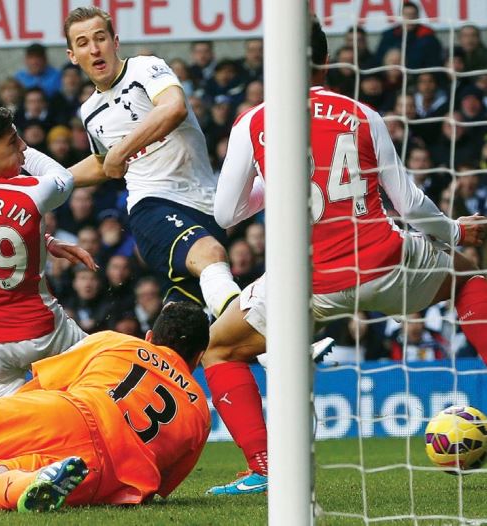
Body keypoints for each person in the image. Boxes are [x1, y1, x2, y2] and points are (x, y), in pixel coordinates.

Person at [202, 18, 487, 495]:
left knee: (218, 349)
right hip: (385, 264)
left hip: (305, 284)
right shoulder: (362, 114)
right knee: (469, 275)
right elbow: (410, 203)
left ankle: (265, 467)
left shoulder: (254, 121)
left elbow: (226, 213)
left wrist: (275, 186)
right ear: (327, 60)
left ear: (275, 62)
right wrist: (457, 233)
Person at [64, 7, 240, 317]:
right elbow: (102, 163)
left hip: (204, 205)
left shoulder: (145, 69)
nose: (94, 48)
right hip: (151, 206)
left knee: (185, 323)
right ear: (73, 55)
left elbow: (173, 108)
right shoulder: (89, 111)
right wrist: (50, 182)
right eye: (82, 42)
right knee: (211, 253)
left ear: (115, 41)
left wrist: (120, 151)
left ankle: (159, 357)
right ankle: (276, 343)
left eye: (100, 38)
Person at [0, 302, 211, 513]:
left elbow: (48, 382)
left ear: (149, 337)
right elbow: (164, 482)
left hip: (75, 415)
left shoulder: (117, 342)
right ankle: (22, 484)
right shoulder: (201, 411)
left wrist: (8, 420)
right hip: (110, 476)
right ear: (199, 357)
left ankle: (25, 478)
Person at [0, 103, 103, 400]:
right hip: (42, 334)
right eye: (14, 142)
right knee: (102, 377)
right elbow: (61, 174)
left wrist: (45, 240)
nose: (23, 146)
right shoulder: (32, 192)